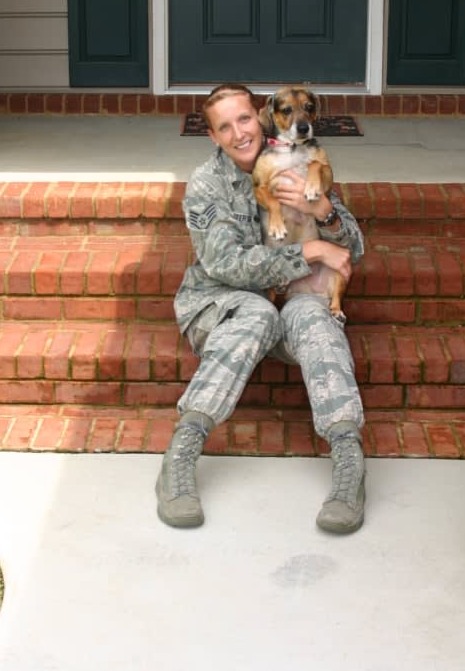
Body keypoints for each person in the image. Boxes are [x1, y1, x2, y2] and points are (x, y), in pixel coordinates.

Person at [156, 82, 366, 533]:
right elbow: (226, 264)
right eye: (224, 127)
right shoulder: (205, 184)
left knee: (315, 313)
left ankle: (349, 461)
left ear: (261, 116)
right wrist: (309, 252)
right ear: (213, 137)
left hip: (290, 300)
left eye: (245, 119)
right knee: (257, 313)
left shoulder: (298, 160)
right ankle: (181, 455)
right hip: (220, 306)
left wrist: (327, 212)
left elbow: (353, 249)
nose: (239, 134)